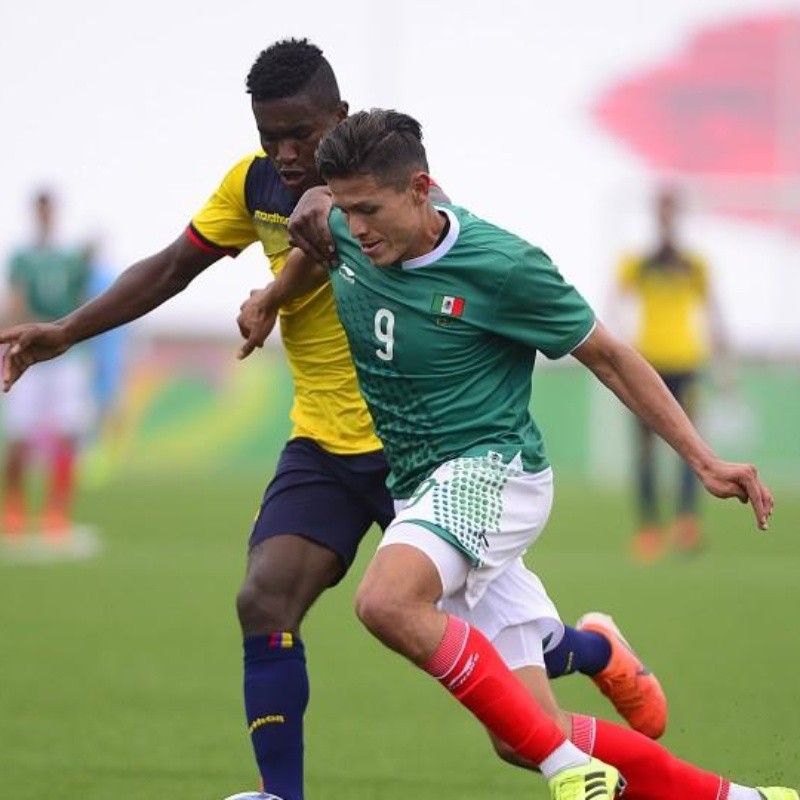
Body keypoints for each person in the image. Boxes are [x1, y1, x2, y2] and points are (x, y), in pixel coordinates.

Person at [0, 41, 664, 798]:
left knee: (513, 691)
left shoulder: (395, 195)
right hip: (322, 442)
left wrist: (277, 287)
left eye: (301, 136)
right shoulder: (253, 187)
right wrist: (66, 331)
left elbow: (355, 238)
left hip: (428, 456)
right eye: (269, 137)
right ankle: (282, 793)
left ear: (340, 119)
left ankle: (589, 649)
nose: (285, 154)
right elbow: (170, 266)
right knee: (264, 598)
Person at [236, 109, 791, 800]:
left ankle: (570, 774)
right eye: (346, 208)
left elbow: (611, 357)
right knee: (524, 731)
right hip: (420, 487)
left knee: (385, 601)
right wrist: (269, 296)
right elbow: (316, 233)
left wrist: (703, 459)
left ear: (422, 188)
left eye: (370, 208)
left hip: (494, 473)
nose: (358, 226)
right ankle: (741, 798)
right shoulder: (347, 228)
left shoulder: (504, 267)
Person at [611, 186, 729, 562]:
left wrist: (724, 365)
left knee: (690, 445)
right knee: (644, 450)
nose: (665, 215)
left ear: (677, 214)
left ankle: (686, 522)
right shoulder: (638, 263)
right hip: (647, 365)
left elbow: (712, 312)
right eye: (661, 209)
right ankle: (649, 528)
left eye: (670, 209)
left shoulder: (694, 264)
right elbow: (614, 303)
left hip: (687, 363)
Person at [1, 189, 93, 540]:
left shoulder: (71, 258)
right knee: (21, 435)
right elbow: (15, 301)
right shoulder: (22, 258)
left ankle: (57, 512)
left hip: (66, 357)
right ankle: (13, 509)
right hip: (29, 352)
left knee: (68, 434)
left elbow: (84, 304)